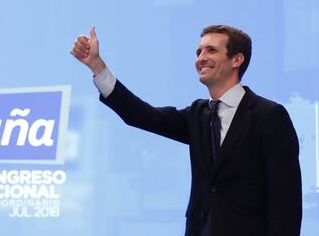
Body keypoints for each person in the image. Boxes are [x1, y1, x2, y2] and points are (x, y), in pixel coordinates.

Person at [70, 25, 302, 236]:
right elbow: (141, 115)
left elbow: (286, 201)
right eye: (198, 52)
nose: (201, 58)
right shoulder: (197, 114)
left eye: (211, 50)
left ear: (236, 59)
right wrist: (97, 66)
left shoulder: (269, 115)